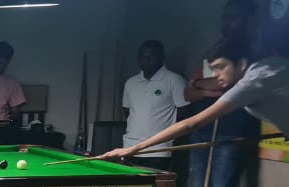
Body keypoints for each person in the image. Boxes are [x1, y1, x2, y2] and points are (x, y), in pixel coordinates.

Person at [101, 38, 288, 160]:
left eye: (221, 67)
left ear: (241, 64)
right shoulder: (268, 66)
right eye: (213, 69)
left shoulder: (252, 82)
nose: (216, 75)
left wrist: (134, 148)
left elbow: (192, 123)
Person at [177, 0, 263, 187]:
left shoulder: (254, 52)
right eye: (225, 17)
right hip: (202, 131)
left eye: (233, 17)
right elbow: (188, 93)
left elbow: (227, 84)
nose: (227, 23)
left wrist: (201, 85)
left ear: (249, 20)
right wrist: (204, 88)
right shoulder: (214, 51)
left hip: (232, 132)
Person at [121, 40, 191, 172]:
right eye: (143, 57)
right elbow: (127, 111)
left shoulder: (174, 80)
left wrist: (169, 134)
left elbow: (185, 111)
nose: (146, 60)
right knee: (130, 184)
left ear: (161, 58)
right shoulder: (131, 82)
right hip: (130, 146)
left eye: (151, 56)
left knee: (153, 185)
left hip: (158, 149)